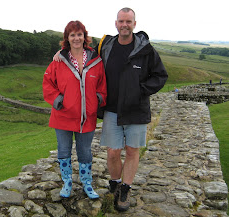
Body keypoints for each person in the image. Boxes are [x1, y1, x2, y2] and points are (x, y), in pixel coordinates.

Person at [53, 8, 168, 211]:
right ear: (116, 23)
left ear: (134, 23)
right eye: (121, 21)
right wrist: (63, 52)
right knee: (113, 152)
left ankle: (125, 188)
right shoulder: (106, 45)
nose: (124, 25)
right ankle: (115, 182)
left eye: (128, 21)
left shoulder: (146, 49)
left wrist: (141, 91)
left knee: (132, 151)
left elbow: (160, 76)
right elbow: (84, 54)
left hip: (136, 110)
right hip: (112, 110)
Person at [43, 20, 107, 200]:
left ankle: (87, 183)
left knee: (85, 152)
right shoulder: (58, 60)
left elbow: (102, 86)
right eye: (72, 35)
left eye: (79, 34)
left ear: (84, 37)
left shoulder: (96, 61)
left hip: (87, 116)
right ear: (67, 38)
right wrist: (58, 101)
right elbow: (48, 83)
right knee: (63, 151)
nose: (76, 38)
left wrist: (97, 100)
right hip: (62, 116)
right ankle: (67, 183)